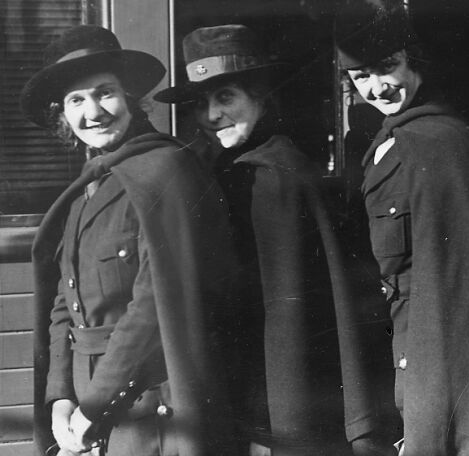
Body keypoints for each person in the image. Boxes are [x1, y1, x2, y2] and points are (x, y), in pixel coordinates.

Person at [334, 0, 469, 456]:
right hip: (409, 361)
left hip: (445, 368)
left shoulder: (440, 143)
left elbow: (460, 291)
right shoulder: (387, 142)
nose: (376, 88)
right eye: (361, 77)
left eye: (386, 67)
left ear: (412, 60)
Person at [154, 24, 390, 456]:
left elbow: (284, 321)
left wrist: (268, 431)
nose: (211, 116)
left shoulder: (267, 178)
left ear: (260, 97)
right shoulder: (244, 169)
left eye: (226, 97)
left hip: (280, 414)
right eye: (201, 103)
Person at [24, 25, 234, 456]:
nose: (94, 111)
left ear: (130, 99)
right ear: (62, 115)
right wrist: (62, 395)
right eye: (76, 101)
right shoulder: (89, 189)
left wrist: (94, 406)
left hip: (150, 406)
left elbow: (155, 304)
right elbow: (66, 301)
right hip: (88, 404)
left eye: (105, 93)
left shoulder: (166, 170)